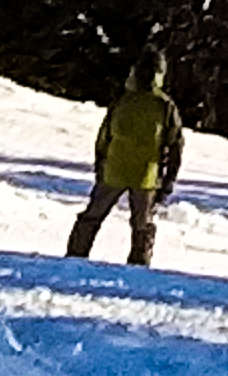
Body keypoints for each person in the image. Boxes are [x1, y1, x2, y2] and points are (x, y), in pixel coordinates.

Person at [66, 53, 185, 265]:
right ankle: (138, 266)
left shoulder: (123, 100)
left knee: (92, 217)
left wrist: (100, 165)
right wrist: (168, 180)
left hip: (114, 170)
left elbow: (104, 137)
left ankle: (75, 256)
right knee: (142, 225)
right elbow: (175, 145)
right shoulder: (164, 106)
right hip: (145, 176)